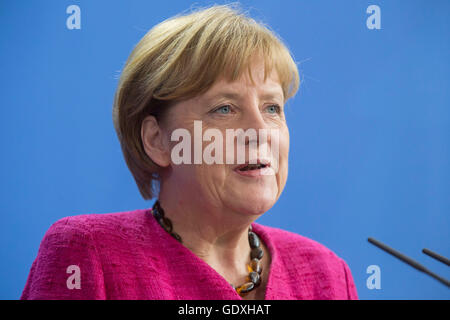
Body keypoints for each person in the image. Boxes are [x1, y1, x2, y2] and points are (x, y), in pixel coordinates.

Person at [21, 4, 358, 300]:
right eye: (225, 109)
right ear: (158, 140)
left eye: (272, 108)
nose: (261, 132)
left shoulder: (329, 274)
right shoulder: (87, 255)